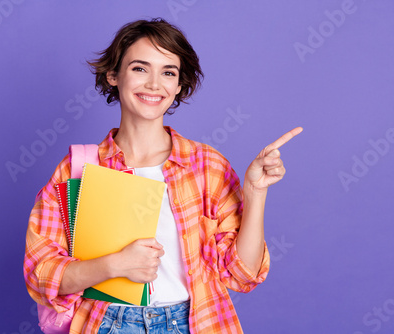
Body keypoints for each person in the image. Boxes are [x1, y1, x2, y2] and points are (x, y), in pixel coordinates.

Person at [24, 18, 302, 334]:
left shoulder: (207, 166)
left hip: (196, 323)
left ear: (179, 85)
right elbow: (40, 271)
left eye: (168, 72)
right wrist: (113, 265)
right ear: (114, 75)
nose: (155, 84)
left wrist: (255, 192)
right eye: (140, 68)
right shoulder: (80, 168)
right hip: (110, 324)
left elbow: (242, 273)